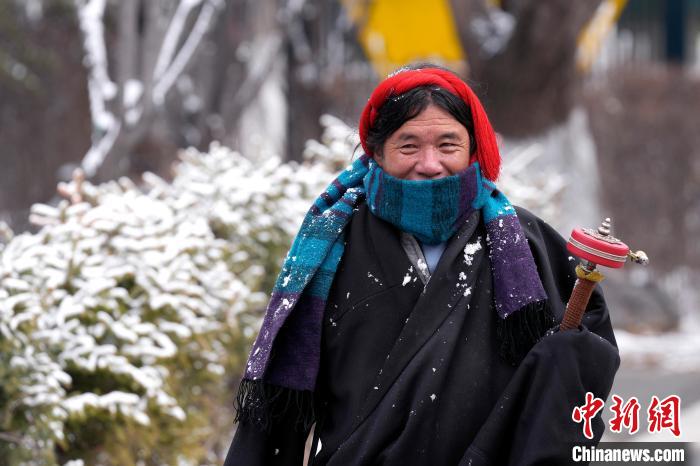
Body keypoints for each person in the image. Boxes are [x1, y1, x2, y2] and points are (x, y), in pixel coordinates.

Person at [223, 64, 619, 466]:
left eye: (448, 145)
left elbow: (581, 363)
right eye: (408, 146)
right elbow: (279, 412)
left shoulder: (524, 244)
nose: (430, 163)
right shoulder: (329, 248)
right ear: (377, 152)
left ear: (472, 149)